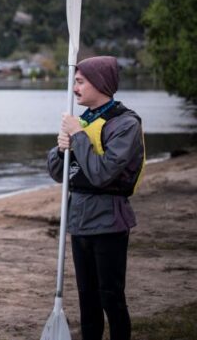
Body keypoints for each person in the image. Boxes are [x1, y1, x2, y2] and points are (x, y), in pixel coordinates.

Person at [47, 56, 145, 340]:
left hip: (109, 222)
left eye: (80, 82)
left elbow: (103, 174)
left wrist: (77, 136)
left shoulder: (125, 124)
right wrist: (61, 149)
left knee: (110, 298)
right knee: (86, 300)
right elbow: (57, 173)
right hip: (78, 221)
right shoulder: (82, 121)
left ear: (100, 84)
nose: (74, 88)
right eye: (74, 81)